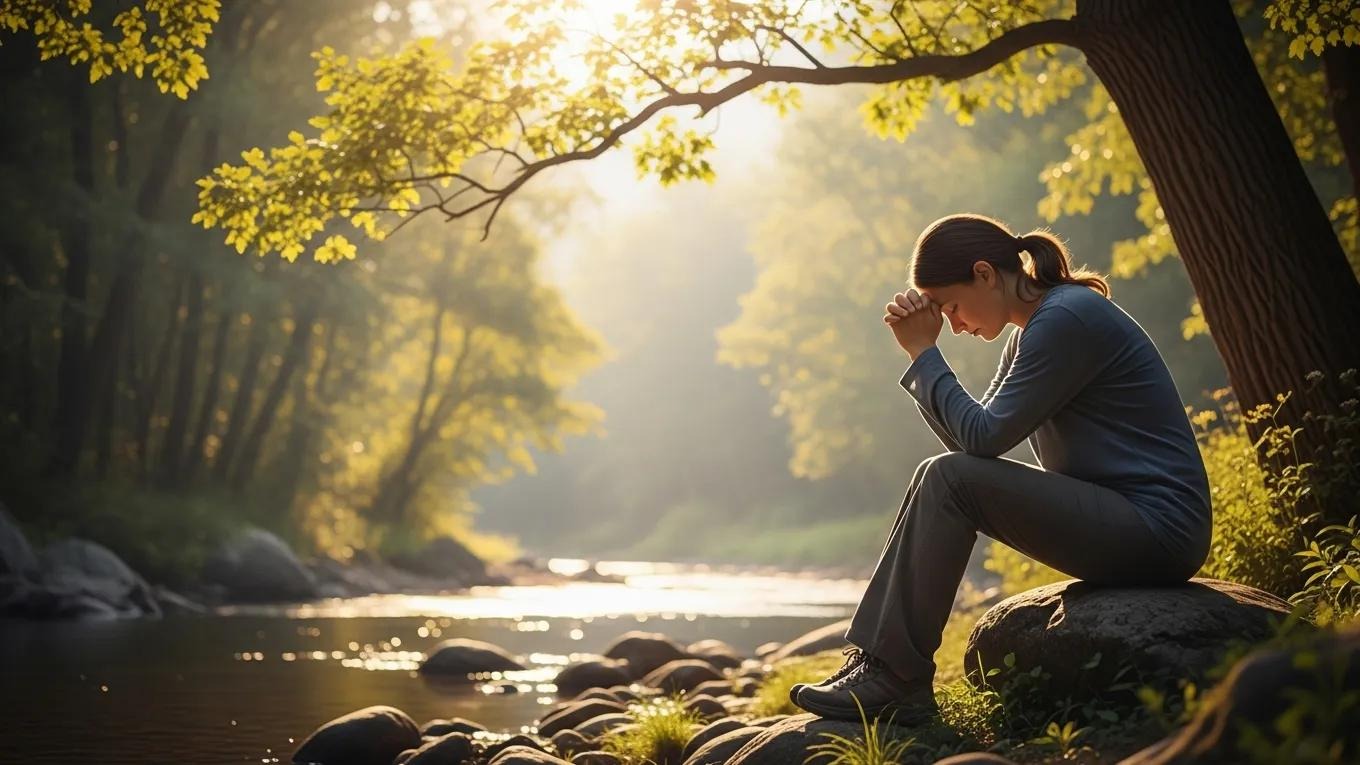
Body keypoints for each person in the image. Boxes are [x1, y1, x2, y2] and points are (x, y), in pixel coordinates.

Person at [790, 213, 1213, 723]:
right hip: (1122, 520)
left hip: (1157, 529)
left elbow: (981, 440)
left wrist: (925, 352)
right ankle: (880, 665)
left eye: (951, 306)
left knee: (945, 476)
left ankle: (895, 677)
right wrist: (923, 355)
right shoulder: (1034, 329)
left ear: (986, 274)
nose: (956, 324)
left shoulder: (1066, 318)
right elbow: (973, 446)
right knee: (941, 473)